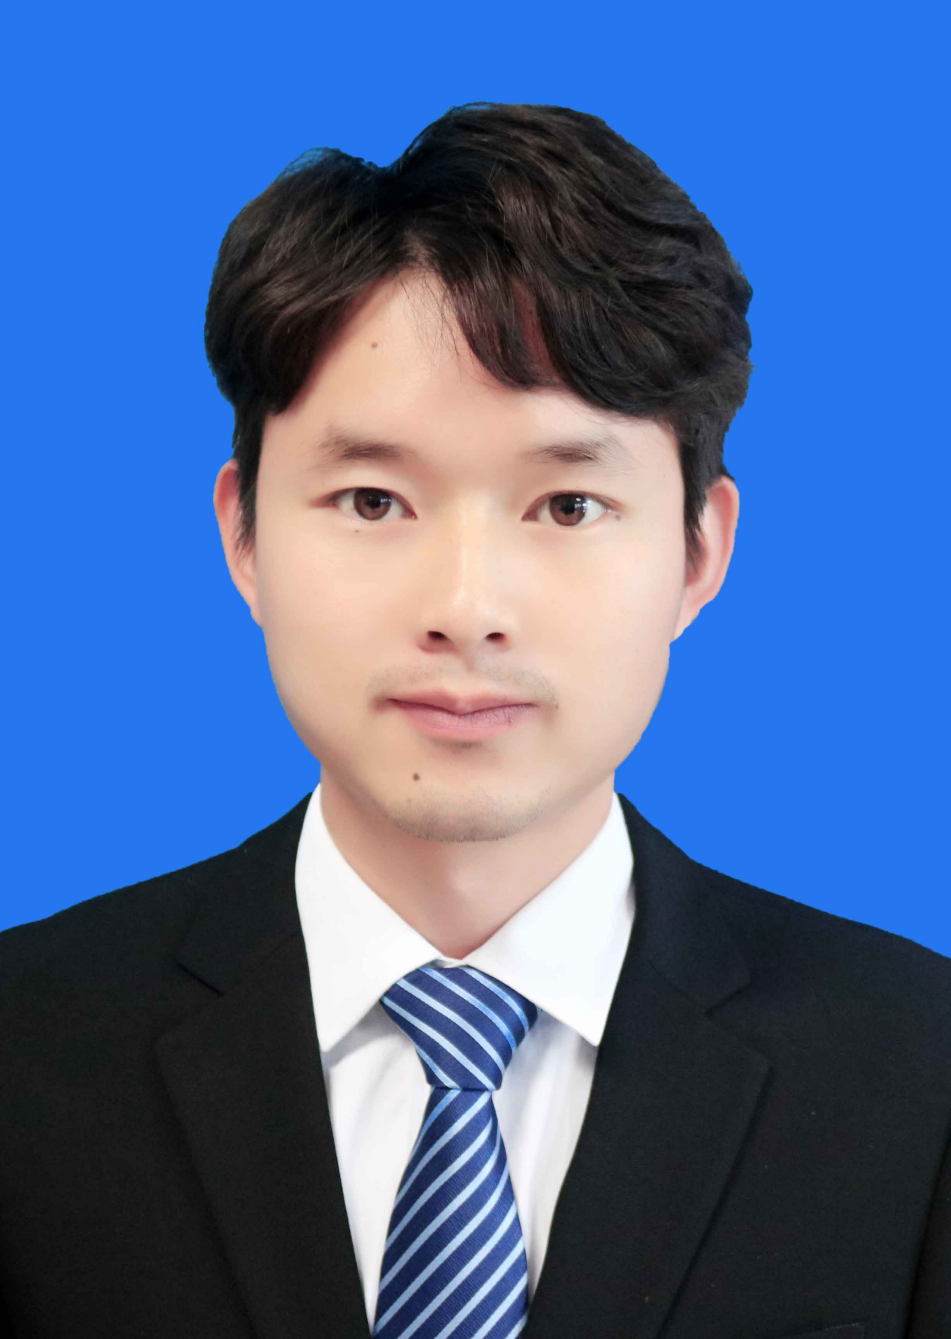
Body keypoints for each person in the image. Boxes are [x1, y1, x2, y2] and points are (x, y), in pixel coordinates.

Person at [0, 101, 947, 1339]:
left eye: (566, 506)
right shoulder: (25, 1051)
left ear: (699, 550)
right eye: (372, 499)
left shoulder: (919, 1073)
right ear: (243, 534)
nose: (465, 609)